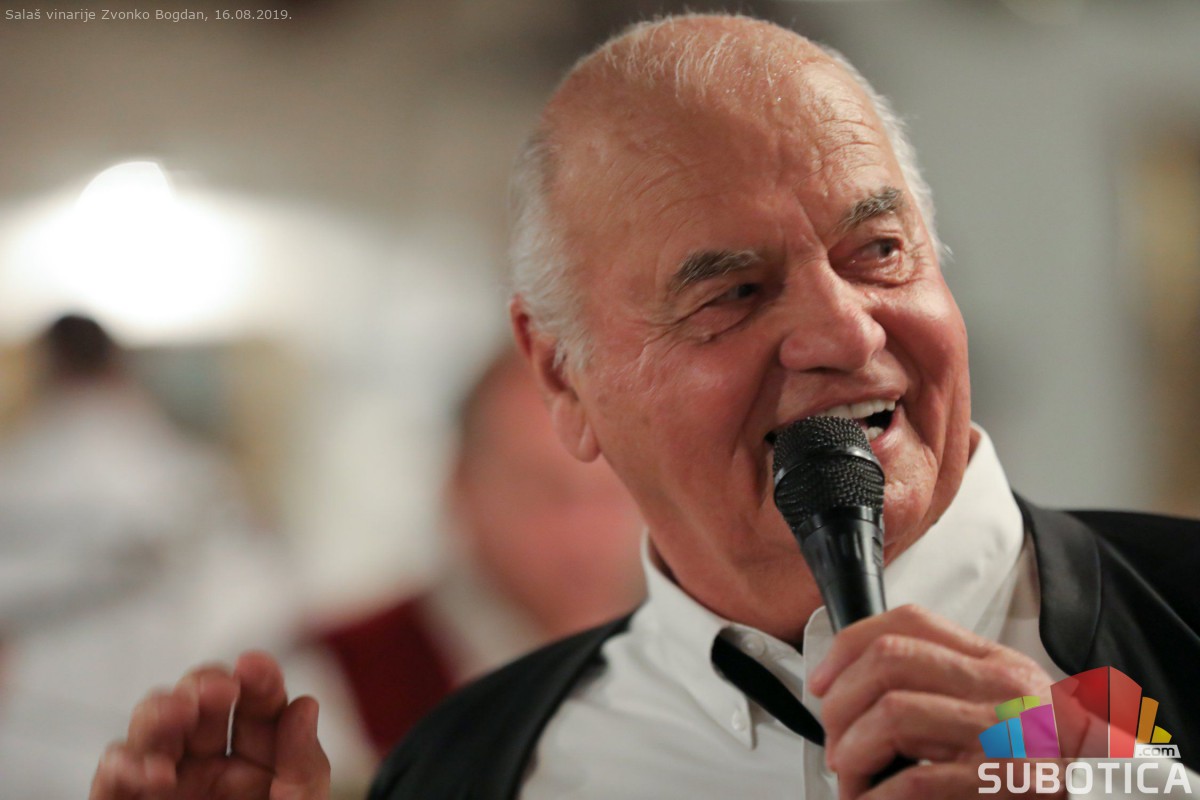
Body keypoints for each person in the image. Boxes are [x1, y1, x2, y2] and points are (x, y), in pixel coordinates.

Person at [89, 13, 1200, 800]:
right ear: (563, 377)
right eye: (731, 293)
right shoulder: (471, 766)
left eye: (878, 250)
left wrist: (1133, 788)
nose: (847, 332)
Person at [0, 314, 298, 799]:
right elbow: (262, 608)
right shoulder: (192, 478)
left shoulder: (12, 477)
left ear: (46, 366)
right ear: (119, 363)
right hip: (164, 747)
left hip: (26, 752)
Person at [315, 347, 644, 756]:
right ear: (461, 487)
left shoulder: (697, 660)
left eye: (614, 490)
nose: (585, 531)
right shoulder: (332, 682)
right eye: (541, 490)